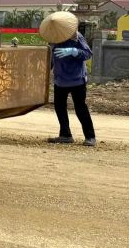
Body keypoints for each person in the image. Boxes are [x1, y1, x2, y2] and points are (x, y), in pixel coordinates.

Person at [39, 11, 95, 146]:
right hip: (60, 79)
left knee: (80, 108)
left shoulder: (76, 37)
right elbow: (52, 59)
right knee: (60, 107)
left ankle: (90, 137)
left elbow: (88, 54)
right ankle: (65, 134)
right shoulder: (53, 39)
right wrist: (46, 72)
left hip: (77, 79)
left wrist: (74, 51)